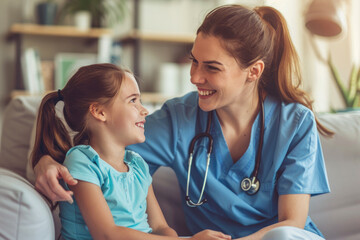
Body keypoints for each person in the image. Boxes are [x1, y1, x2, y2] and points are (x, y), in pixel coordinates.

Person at [32, 5, 332, 240]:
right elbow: (101, 149)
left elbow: (291, 221)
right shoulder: (180, 119)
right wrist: (45, 161)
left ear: (253, 71)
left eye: (211, 68)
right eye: (194, 61)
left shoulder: (295, 123)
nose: (194, 77)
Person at [31, 63, 231, 240]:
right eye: (133, 100)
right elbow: (107, 234)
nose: (144, 110)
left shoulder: (137, 164)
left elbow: (160, 227)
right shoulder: (82, 162)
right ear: (100, 112)